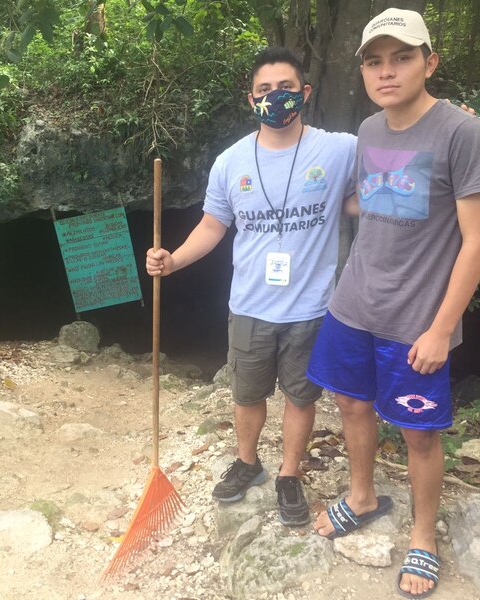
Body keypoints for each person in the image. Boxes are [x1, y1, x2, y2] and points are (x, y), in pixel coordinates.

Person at [307, 8, 480, 598]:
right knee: (352, 405)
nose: (387, 71)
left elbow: (478, 240)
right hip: (353, 304)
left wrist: (442, 328)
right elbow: (379, 200)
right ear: (363, 70)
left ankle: (422, 536)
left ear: (429, 62)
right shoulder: (368, 131)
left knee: (419, 434)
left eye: (402, 57)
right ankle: (361, 495)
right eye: (374, 61)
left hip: (417, 319)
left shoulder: (462, 133)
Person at [145, 46, 358, 527]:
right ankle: (248, 462)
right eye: (265, 90)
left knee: (302, 397)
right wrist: (172, 260)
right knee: (247, 394)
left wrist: (447, 123)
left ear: (304, 93)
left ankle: (288, 474)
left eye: (285, 88)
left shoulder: (339, 149)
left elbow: (393, 165)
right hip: (250, 305)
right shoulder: (230, 162)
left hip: (311, 307)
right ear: (251, 99)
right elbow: (212, 226)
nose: (275, 97)